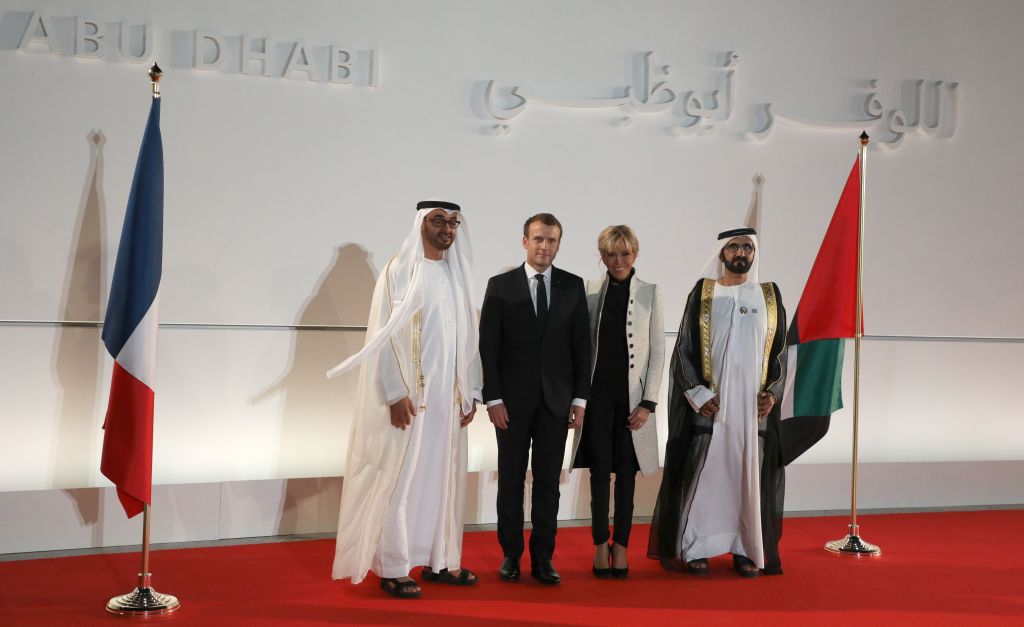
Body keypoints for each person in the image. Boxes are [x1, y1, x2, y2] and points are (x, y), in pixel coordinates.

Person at [327, 200, 482, 598]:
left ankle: (440, 560)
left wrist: (469, 391)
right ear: (421, 224)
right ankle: (394, 566)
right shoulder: (399, 270)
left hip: (447, 402)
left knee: (443, 480)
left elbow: (467, 338)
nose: (447, 229)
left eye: (453, 223)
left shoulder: (455, 272)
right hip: (412, 400)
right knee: (401, 480)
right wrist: (395, 393)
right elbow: (380, 337)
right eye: (438, 221)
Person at [647, 227, 787, 577]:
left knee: (747, 479)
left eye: (747, 247)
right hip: (713, 408)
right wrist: (699, 394)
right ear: (721, 253)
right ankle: (697, 546)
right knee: (705, 478)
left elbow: (781, 354)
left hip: (751, 412)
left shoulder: (768, 296)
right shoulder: (704, 294)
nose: (741, 252)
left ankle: (746, 548)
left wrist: (772, 393)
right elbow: (684, 350)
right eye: (734, 246)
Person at [479, 213, 591, 585]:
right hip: (510, 405)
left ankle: (543, 557)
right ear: (525, 241)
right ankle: (511, 555)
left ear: (559, 245)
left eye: (552, 241)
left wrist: (579, 400)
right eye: (539, 239)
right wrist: (492, 399)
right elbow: (488, 347)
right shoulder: (500, 285)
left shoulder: (573, 286)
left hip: (556, 405)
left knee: (548, 484)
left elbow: (581, 349)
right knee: (510, 481)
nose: (545, 246)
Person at [570, 225, 664, 579]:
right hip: (596, 401)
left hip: (634, 405)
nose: (619, 260)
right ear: (603, 257)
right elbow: (580, 349)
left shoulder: (651, 294)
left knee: (627, 476)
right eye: (611, 254)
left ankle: (621, 547)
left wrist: (648, 403)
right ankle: (599, 545)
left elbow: (658, 352)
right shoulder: (590, 290)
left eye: (625, 253)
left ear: (635, 254)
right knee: (598, 476)